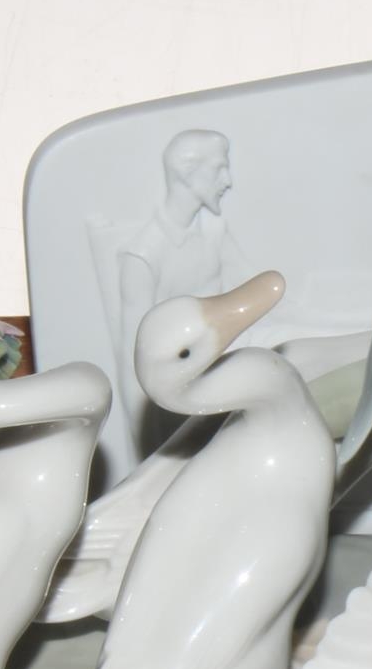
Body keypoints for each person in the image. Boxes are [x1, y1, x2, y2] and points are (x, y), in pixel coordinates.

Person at [103, 130, 257, 450]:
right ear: (187, 173)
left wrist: (332, 319)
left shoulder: (214, 231)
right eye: (219, 168)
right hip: (193, 383)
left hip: (233, 355)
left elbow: (259, 290)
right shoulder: (143, 256)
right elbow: (134, 365)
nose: (228, 181)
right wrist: (147, 449)